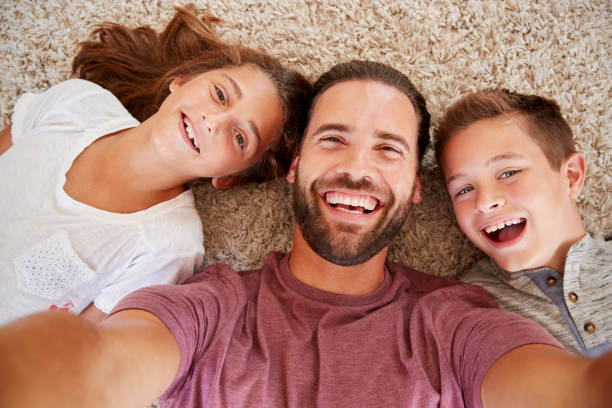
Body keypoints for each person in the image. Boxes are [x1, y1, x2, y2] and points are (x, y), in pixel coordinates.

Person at [0, 61, 610, 408]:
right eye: (333, 138)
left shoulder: (455, 321)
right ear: (294, 167)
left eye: (389, 149)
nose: (358, 167)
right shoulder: (211, 304)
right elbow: (95, 364)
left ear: (419, 189)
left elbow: (568, 391)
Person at [0, 5, 312, 324]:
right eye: (219, 94)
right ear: (181, 81)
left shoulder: (170, 245)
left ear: (229, 176)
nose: (213, 121)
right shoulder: (77, 103)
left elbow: (82, 345)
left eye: (240, 137)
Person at [434, 89, 611, 357]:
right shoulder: (464, 309)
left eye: (508, 172)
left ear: (571, 177)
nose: (484, 201)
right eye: (464, 190)